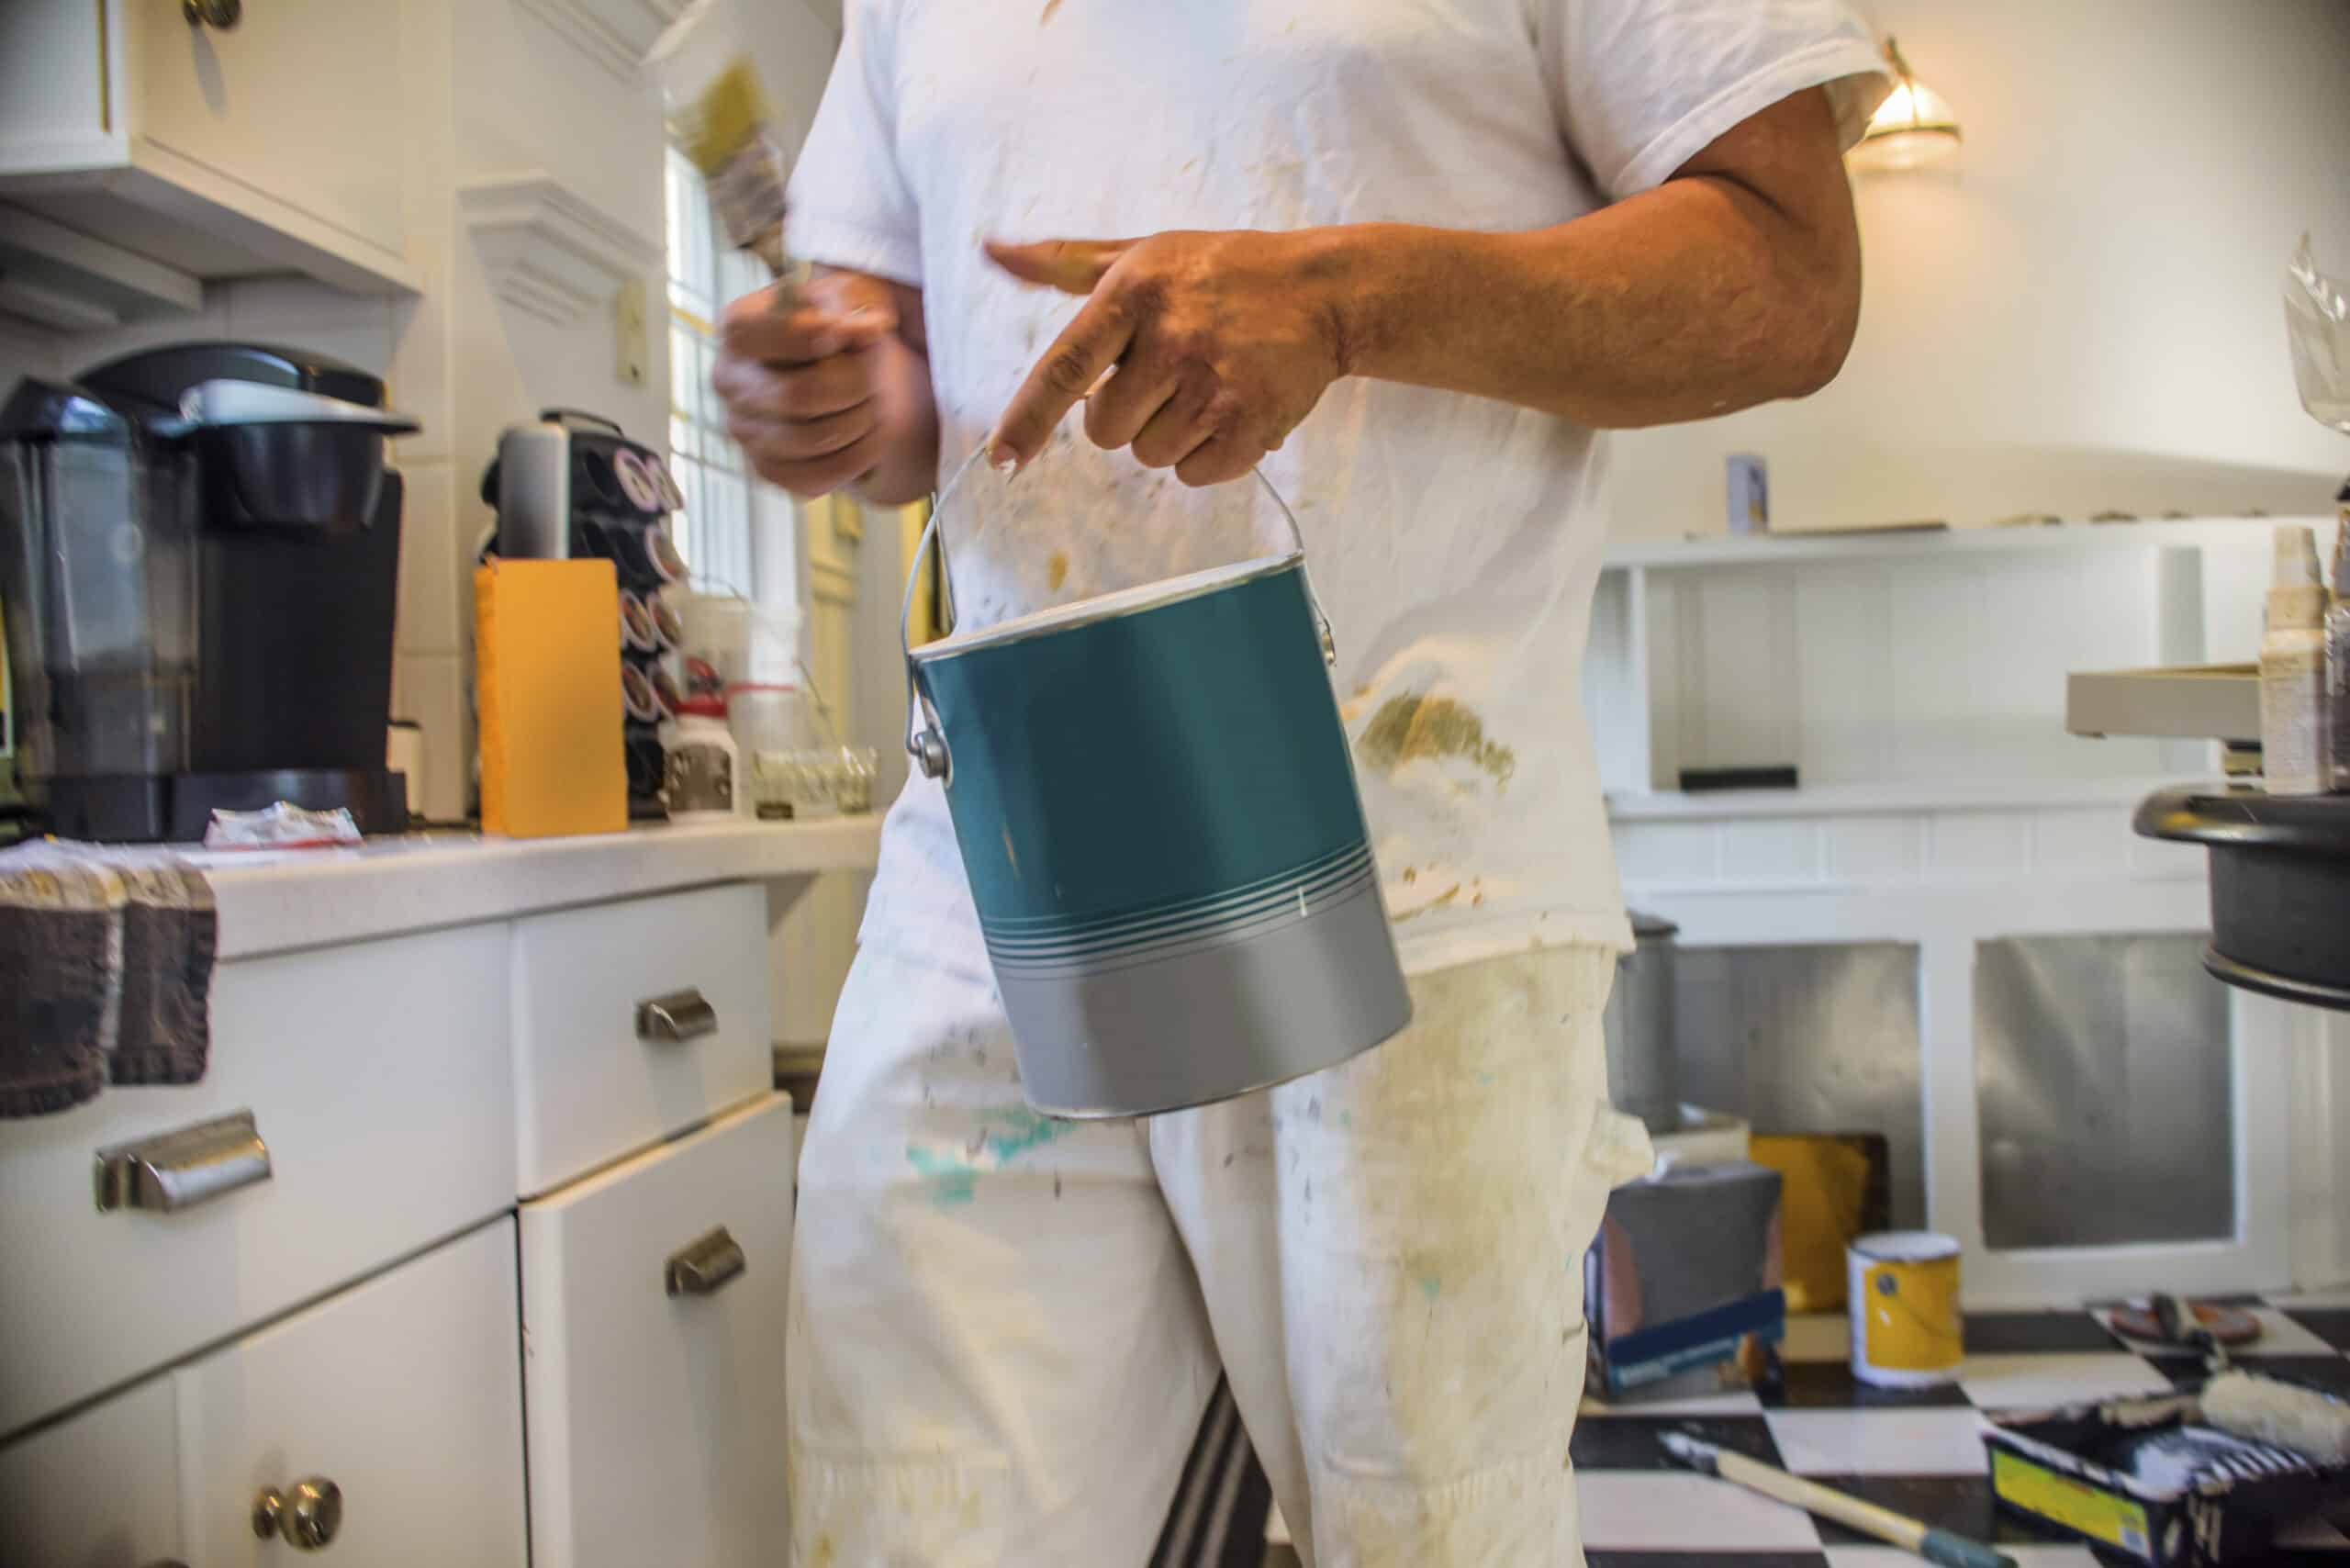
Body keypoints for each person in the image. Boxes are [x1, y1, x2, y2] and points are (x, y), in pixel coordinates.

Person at [713, 4, 1887, 1562]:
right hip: (1001, 875)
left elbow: (1792, 284)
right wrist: (834, 396)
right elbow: (915, 390)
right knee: (919, 1529)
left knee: (1421, 1536)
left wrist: (1345, 300)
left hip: (1410, 881)